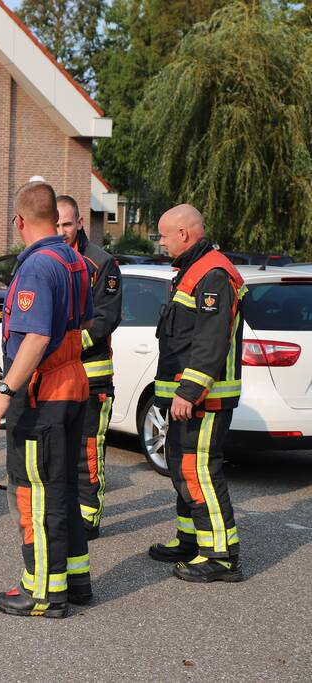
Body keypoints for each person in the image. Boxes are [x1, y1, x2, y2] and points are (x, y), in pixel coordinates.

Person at [0, 181, 93, 618]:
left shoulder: (36, 267)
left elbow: (36, 336)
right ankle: (75, 581)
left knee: (36, 494)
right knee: (63, 488)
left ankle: (43, 592)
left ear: (20, 221)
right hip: (71, 387)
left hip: (42, 393)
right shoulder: (75, 260)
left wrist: (4, 392)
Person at [149, 204, 244, 583]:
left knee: (199, 468)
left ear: (184, 234)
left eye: (163, 235)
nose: (161, 241)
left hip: (206, 397)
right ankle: (191, 539)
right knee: (181, 465)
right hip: (188, 398)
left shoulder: (213, 273)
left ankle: (221, 555)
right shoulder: (191, 270)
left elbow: (209, 340)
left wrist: (189, 390)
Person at [57, 195, 122, 539]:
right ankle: (64, 511)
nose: (62, 231)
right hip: (56, 377)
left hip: (90, 375)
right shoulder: (47, 258)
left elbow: (104, 320)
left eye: (67, 224)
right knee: (58, 450)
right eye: (56, 225)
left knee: (87, 450)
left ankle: (88, 517)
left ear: (80, 223)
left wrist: (61, 347)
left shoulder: (102, 263)